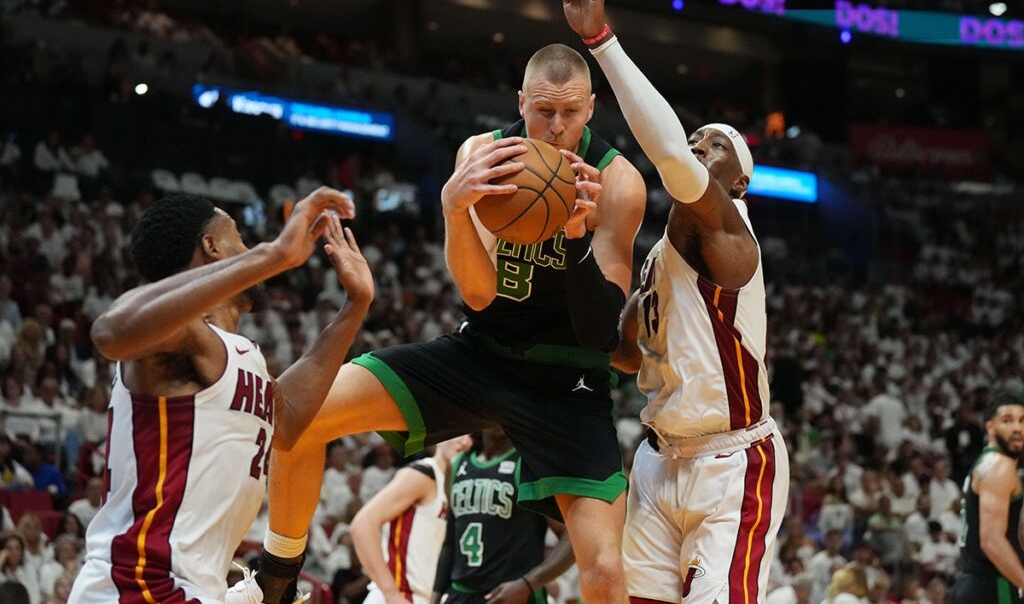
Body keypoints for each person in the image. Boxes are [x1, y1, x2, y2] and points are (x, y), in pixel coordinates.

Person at [252, 42, 647, 604]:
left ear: (590, 109)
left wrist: (578, 235)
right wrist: (453, 209)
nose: (556, 126)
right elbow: (479, 294)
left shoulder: (619, 182)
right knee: (298, 412)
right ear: (520, 102)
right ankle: (276, 579)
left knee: (606, 571)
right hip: (482, 354)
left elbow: (598, 332)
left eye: (570, 113)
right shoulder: (483, 153)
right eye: (543, 111)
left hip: (568, 379)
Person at [553, 0, 790, 604]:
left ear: (738, 181)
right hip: (658, 457)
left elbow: (664, 157)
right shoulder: (661, 258)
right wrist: (572, 244)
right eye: (692, 136)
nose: (694, 144)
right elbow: (621, 352)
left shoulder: (729, 230)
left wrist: (601, 41)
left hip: (731, 461)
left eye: (711, 144)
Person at [68, 188, 374, 604]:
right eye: (241, 240)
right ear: (211, 247)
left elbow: (289, 421)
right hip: (138, 586)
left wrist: (355, 306)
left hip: (187, 589)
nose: (251, 249)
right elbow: (109, 332)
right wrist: (275, 254)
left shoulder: (240, 353)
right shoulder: (181, 336)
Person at [433, 428, 576, 604]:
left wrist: (528, 584)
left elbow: (572, 538)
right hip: (461, 594)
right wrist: (435, 598)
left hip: (514, 595)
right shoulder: (457, 465)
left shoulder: (531, 464)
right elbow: (450, 543)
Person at [351, 436, 472, 604]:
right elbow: (362, 525)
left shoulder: (465, 485)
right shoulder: (423, 473)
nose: (464, 441)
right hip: (401, 596)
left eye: (471, 435)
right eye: (460, 432)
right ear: (442, 433)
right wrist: (391, 594)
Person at [951, 391, 1024, 604]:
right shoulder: (999, 466)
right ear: (990, 427)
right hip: (993, 585)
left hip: (974, 582)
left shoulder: (985, 463)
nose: (1017, 429)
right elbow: (992, 541)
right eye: (1007, 421)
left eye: (1022, 421)